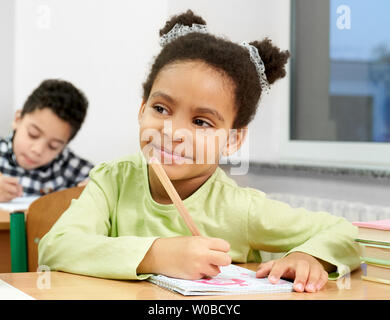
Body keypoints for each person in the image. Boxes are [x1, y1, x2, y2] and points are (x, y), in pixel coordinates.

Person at [38, 10, 360, 293]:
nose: (172, 133)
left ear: (234, 139)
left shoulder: (238, 208)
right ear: (141, 110)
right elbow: (56, 248)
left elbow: (347, 233)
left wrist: (306, 256)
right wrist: (157, 255)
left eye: (201, 122)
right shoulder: (114, 181)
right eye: (161, 108)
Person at [0, 79, 94, 202]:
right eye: (33, 134)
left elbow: (103, 185)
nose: (37, 150)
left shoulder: (74, 169)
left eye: (53, 146)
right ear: (18, 119)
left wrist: (93, 191)